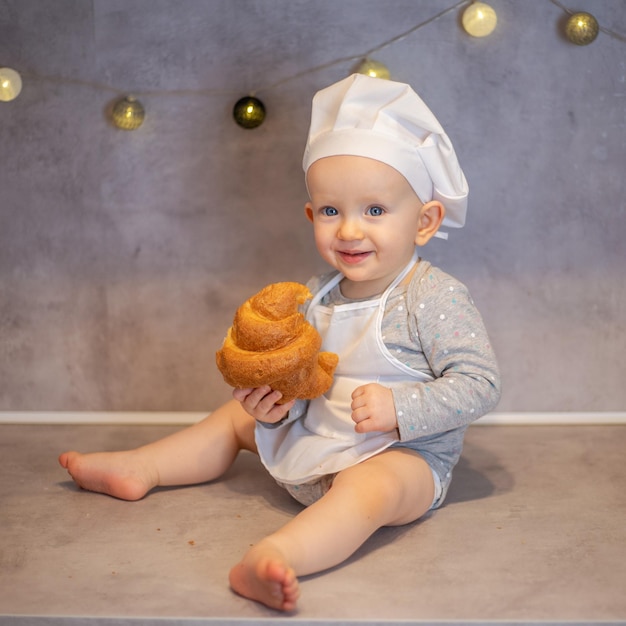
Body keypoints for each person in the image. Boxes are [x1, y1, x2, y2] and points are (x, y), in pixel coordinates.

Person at [59, 73, 501, 612]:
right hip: (314, 445)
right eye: (332, 211)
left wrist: (400, 407)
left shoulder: (431, 297)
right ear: (312, 216)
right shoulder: (318, 297)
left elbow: (481, 385)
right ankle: (142, 467)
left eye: (376, 211)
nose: (350, 231)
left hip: (401, 456)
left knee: (373, 490)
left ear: (425, 221)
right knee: (233, 419)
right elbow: (306, 386)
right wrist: (274, 412)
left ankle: (275, 556)